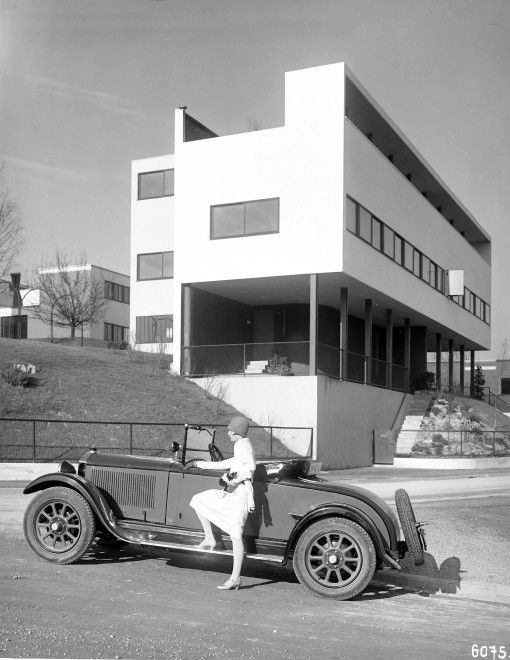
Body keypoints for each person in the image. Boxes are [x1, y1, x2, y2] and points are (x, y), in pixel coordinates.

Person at [189, 415, 255, 591]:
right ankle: (210, 537)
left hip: (239, 497)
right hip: (236, 494)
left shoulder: (243, 445)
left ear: (237, 432)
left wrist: (231, 479)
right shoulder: (240, 445)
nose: (228, 433)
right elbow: (229, 463)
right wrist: (200, 464)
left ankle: (235, 578)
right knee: (199, 500)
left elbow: (250, 468)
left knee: (236, 535)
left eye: (230, 430)